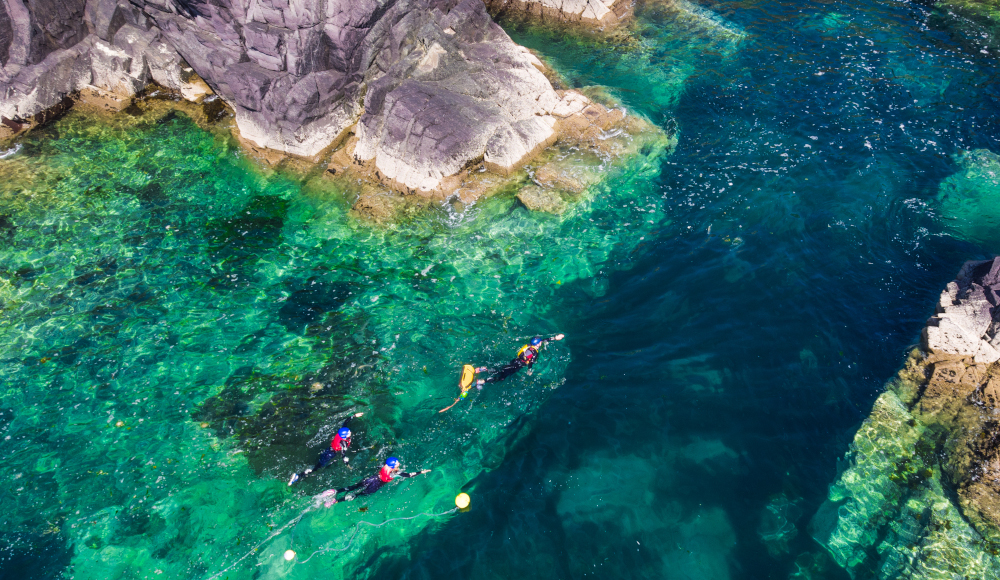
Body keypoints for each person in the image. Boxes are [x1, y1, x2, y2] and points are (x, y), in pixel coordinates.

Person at [317, 457, 431, 506]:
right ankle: (335, 501)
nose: (399, 464)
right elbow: (408, 475)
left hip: (372, 478)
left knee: (353, 486)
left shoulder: (385, 465)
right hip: (377, 484)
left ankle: (335, 490)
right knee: (358, 494)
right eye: (397, 463)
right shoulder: (394, 472)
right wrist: (421, 472)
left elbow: (379, 466)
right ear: (393, 466)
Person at [288, 412, 364, 486]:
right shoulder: (343, 443)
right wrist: (348, 465)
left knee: (317, 463)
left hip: (328, 449)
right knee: (317, 468)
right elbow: (343, 455)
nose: (350, 431)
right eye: (348, 432)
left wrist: (354, 416)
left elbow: (345, 422)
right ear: (345, 436)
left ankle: (306, 470)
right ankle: (298, 476)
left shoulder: (341, 433)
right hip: (331, 454)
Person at [476, 334, 564, 386]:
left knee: (502, 369)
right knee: (502, 377)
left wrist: (555, 338)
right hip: (518, 366)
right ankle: (483, 378)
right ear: (538, 344)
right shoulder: (534, 353)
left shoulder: (529, 345)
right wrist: (529, 370)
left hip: (515, 361)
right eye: (540, 342)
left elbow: (543, 341)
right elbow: (531, 362)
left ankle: (484, 370)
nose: (541, 342)